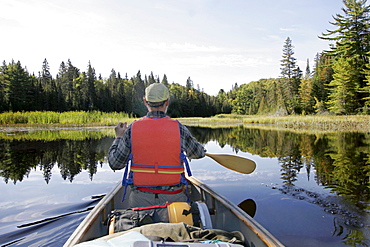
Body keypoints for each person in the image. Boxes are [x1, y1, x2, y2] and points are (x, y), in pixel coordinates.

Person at [108, 83, 205, 209]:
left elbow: (115, 164)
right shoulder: (178, 128)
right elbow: (198, 153)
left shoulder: (133, 129)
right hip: (174, 199)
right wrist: (202, 149)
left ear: (145, 102)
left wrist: (119, 137)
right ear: (167, 102)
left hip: (140, 200)